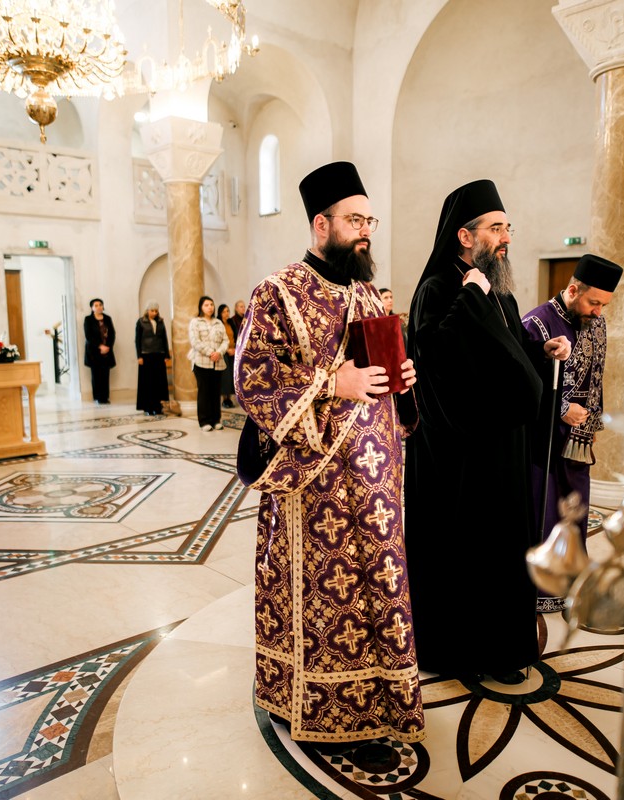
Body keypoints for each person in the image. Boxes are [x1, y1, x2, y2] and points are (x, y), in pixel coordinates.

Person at [235, 161, 424, 745]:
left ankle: (383, 700)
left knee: (378, 590)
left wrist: (403, 379)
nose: (366, 231)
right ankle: (311, 700)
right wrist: (330, 383)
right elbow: (252, 378)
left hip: (375, 480)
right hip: (313, 482)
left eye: (370, 220)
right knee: (324, 594)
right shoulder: (278, 291)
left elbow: (379, 369)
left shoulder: (366, 292)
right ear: (321, 224)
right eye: (355, 220)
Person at [404, 179, 570, 683]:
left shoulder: (500, 292)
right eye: (496, 228)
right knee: (467, 556)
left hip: (503, 449)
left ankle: (501, 650)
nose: (506, 238)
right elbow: (436, 361)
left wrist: (541, 354)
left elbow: (509, 353)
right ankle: (460, 653)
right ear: (464, 235)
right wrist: (472, 296)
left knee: (501, 552)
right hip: (460, 457)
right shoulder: (438, 289)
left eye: (507, 228)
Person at [523, 254, 623, 612]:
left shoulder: (596, 322)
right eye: (594, 302)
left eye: (604, 304)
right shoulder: (537, 323)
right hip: (544, 438)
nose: (598, 311)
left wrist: (591, 424)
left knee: (576, 509)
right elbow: (524, 386)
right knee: (546, 510)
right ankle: (540, 590)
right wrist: (562, 409)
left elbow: (597, 375)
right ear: (572, 290)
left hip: (578, 440)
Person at [188, 296, 227, 431]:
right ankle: (204, 421)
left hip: (218, 362)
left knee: (215, 392)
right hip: (201, 362)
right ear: (201, 307)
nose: (210, 307)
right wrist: (211, 353)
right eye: (206, 305)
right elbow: (195, 341)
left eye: (211, 304)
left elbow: (225, 341)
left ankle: (216, 420)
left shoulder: (218, 323)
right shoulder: (195, 322)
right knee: (204, 392)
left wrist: (219, 352)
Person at [135, 300, 170, 416]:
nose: (154, 313)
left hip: (159, 354)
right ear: (147, 310)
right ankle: (148, 407)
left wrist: (166, 355)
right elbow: (137, 340)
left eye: (156, 311)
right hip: (146, 355)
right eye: (152, 311)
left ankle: (158, 406)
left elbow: (164, 338)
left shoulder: (160, 322)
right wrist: (139, 356)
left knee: (158, 382)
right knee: (147, 382)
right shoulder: (141, 322)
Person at [83, 298, 115, 404]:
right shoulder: (88, 319)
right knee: (96, 375)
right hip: (94, 352)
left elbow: (112, 334)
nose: (99, 307)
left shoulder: (107, 318)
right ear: (92, 308)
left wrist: (107, 347)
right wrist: (100, 346)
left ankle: (105, 397)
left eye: (100, 305)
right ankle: (98, 397)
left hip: (107, 351)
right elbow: (88, 336)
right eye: (96, 305)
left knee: (105, 374)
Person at [218, 303, 237, 409]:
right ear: (220, 313)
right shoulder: (218, 323)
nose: (226, 313)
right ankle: (224, 399)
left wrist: (235, 349)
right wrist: (226, 350)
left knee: (231, 376)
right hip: (223, 352)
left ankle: (229, 398)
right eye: (224, 312)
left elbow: (236, 336)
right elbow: (219, 340)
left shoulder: (231, 323)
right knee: (225, 377)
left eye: (227, 311)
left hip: (233, 352)